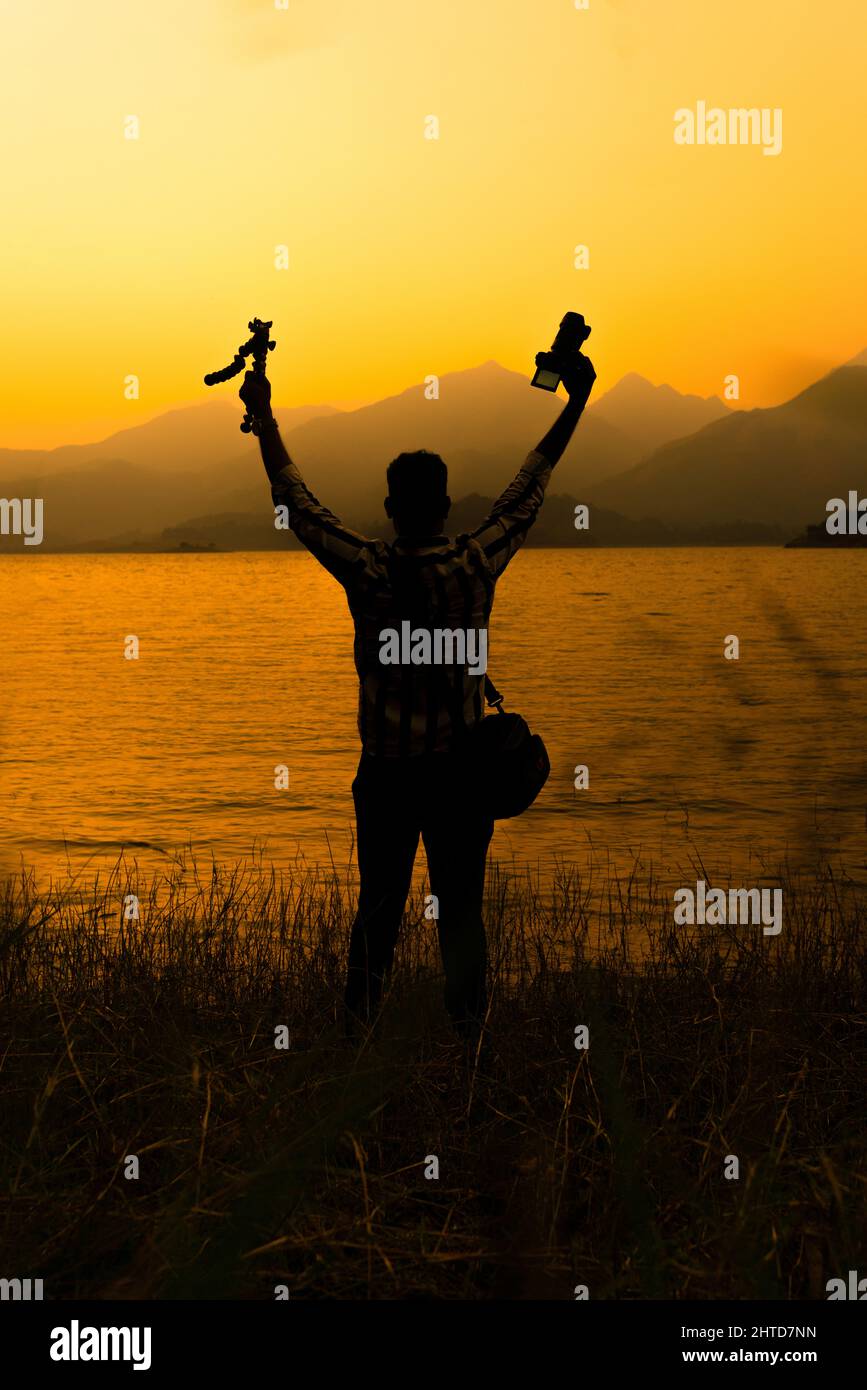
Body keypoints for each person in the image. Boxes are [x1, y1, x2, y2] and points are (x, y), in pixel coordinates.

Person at [240, 350, 596, 1039]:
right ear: (441, 505)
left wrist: (264, 416)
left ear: (389, 508)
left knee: (377, 910)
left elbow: (298, 505)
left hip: (387, 777)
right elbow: (527, 489)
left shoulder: (366, 568)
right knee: (460, 913)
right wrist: (572, 404)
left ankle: (356, 1039)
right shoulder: (473, 563)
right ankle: (469, 1045)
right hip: (461, 776)